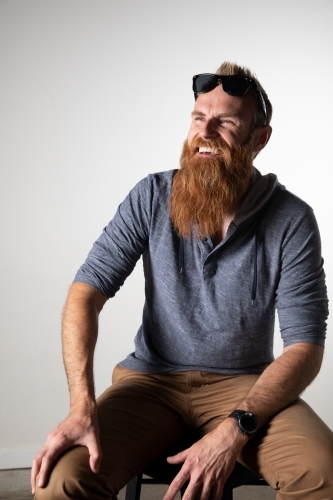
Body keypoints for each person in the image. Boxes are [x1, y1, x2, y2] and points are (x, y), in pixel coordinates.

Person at [31, 62, 333, 500]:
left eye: (226, 122)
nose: (205, 132)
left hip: (243, 386)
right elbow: (85, 294)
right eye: (198, 118)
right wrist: (82, 407)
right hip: (150, 382)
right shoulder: (151, 196)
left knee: (322, 472)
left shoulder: (292, 219)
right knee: (60, 481)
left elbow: (305, 345)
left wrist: (237, 427)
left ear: (259, 139)